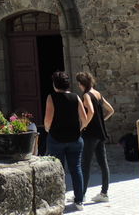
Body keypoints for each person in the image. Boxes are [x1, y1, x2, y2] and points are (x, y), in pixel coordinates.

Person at [45, 71, 89, 210]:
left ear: (55, 84)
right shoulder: (75, 97)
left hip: (56, 138)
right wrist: (80, 129)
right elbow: (84, 118)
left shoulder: (51, 98)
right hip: (75, 139)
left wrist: (47, 129)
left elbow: (48, 119)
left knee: (58, 170)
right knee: (76, 169)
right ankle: (79, 200)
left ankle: (59, 199)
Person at [76, 71, 114, 203]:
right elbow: (111, 110)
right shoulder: (97, 93)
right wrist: (101, 120)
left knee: (85, 164)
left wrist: (83, 126)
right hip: (100, 133)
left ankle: (82, 194)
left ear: (82, 84)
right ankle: (104, 193)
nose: (79, 86)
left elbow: (91, 111)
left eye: (79, 84)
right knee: (103, 163)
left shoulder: (86, 95)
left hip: (90, 134)